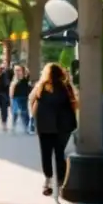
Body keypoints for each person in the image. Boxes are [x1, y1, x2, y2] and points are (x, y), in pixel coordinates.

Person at [29, 62, 78, 196]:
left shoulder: (40, 86)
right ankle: (61, 182)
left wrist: (35, 117)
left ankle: (48, 181)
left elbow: (31, 100)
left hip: (44, 125)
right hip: (63, 126)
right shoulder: (66, 86)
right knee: (59, 153)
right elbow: (74, 103)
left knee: (46, 153)